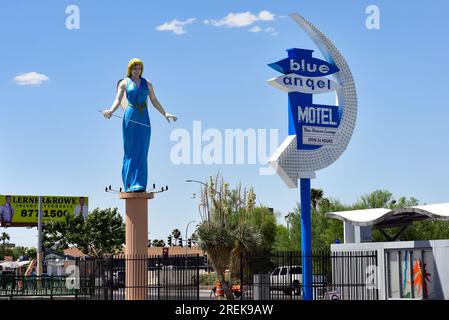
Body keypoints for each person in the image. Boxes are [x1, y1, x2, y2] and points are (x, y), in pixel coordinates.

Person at [103, 58, 178, 192]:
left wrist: (165, 113)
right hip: (130, 115)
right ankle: (129, 183)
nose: (137, 71)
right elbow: (118, 99)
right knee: (130, 150)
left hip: (144, 116)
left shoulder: (147, 83)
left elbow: (154, 100)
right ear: (130, 69)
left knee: (142, 150)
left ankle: (139, 183)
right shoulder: (124, 83)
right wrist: (111, 110)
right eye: (134, 68)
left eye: (139, 68)